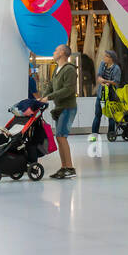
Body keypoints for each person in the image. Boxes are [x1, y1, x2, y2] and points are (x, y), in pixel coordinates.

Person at [45, 45, 78, 179]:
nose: (54, 52)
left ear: (63, 53)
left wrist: (49, 97)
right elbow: (51, 86)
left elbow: (68, 90)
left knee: (61, 136)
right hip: (60, 108)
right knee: (59, 137)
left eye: (56, 50)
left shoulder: (69, 70)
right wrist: (43, 97)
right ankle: (64, 167)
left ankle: (69, 168)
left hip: (67, 107)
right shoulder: (57, 70)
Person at [89, 50, 122, 142]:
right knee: (97, 114)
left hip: (111, 95)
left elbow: (116, 82)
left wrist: (106, 82)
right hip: (101, 94)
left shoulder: (116, 68)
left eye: (106, 56)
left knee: (111, 116)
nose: (104, 58)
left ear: (111, 59)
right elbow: (98, 76)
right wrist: (103, 82)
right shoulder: (103, 64)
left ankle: (111, 134)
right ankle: (94, 135)